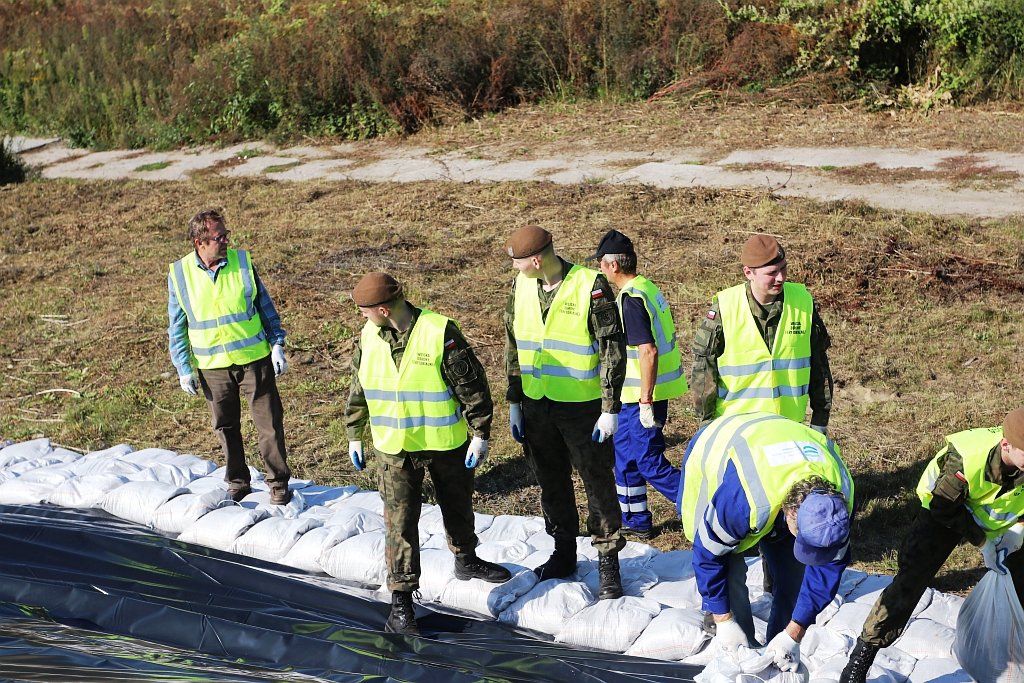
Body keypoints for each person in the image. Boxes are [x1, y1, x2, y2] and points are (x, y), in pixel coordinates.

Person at [345, 272, 511, 636]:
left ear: (384, 309)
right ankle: (402, 603)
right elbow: (360, 385)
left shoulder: (439, 332)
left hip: (443, 444)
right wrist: (354, 431)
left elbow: (472, 386)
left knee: (457, 504)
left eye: (365, 311)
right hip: (394, 448)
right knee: (399, 523)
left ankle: (466, 559)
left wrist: (480, 433)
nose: (363, 317)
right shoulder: (369, 336)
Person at [840, 408, 1024, 683]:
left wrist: (1016, 530)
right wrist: (983, 542)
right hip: (942, 515)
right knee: (909, 584)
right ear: (1005, 444)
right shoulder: (965, 459)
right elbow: (943, 508)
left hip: (995, 520)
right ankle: (861, 659)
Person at [504, 224, 627, 599]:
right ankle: (563, 552)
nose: (515, 269)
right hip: (537, 404)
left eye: (519, 263)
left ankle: (608, 559)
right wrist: (514, 401)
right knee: (550, 480)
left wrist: (610, 406)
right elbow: (513, 343)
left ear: (537, 260)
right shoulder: (523, 287)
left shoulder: (591, 286)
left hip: (582, 407)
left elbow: (612, 350)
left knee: (596, 481)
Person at [680, 411, 854, 672]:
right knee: (729, 570)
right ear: (791, 513)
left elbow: (826, 572)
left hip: (780, 455)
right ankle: (741, 653)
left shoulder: (839, 503)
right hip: (716, 453)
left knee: (796, 575)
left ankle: (773, 657)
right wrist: (724, 620)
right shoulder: (744, 499)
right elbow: (708, 555)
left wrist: (793, 634)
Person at [168, 209, 292, 505]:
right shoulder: (180, 274)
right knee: (225, 427)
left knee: (269, 424)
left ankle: (278, 484)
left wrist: (277, 343)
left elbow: (265, 307)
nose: (225, 240)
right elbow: (176, 324)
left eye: (226, 235)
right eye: (219, 237)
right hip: (212, 367)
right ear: (200, 242)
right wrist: (183, 368)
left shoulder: (242, 262)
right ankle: (238, 481)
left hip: (253, 360)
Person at [592, 229, 687, 540]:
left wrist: (645, 400)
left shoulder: (632, 299)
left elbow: (647, 351)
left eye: (601, 264)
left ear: (613, 266)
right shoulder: (645, 287)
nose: (600, 270)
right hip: (631, 396)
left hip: (641, 397)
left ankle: (699, 505)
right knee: (626, 458)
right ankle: (636, 518)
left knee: (648, 461)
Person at [691, 234, 833, 432]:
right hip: (737, 429)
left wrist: (820, 420)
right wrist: (706, 422)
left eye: (784, 268)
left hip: (788, 427)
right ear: (749, 273)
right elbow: (705, 369)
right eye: (772, 273)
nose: (781, 277)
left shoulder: (802, 302)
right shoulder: (725, 308)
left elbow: (820, 368)